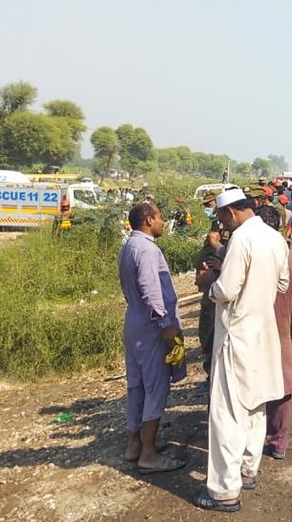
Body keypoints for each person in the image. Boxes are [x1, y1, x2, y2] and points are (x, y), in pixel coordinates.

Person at [194, 188, 289, 513]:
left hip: (237, 337)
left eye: (221, 217)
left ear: (230, 212)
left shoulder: (241, 240)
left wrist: (210, 283)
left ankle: (224, 491)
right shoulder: (274, 238)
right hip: (264, 335)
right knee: (255, 406)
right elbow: (282, 285)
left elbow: (227, 289)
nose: (221, 224)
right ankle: (248, 471)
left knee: (227, 414)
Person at [117, 203, 186, 474]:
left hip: (135, 320)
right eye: (159, 218)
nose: (162, 222)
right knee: (155, 386)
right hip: (151, 326)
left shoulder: (129, 246)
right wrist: (166, 324)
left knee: (137, 385)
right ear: (148, 220)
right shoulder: (146, 249)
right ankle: (148, 453)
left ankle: (134, 444)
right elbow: (149, 288)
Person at [255, 205, 292, 461]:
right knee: (282, 388)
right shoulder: (290, 257)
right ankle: (278, 441)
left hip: (255, 330)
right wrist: (287, 322)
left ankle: (251, 438)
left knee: (252, 385)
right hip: (280, 328)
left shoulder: (251, 252)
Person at [194, 190, 226, 380]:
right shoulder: (217, 223)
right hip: (211, 279)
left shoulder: (225, 226)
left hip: (217, 280)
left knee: (210, 325)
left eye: (209, 205)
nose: (208, 208)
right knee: (207, 324)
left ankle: (212, 371)